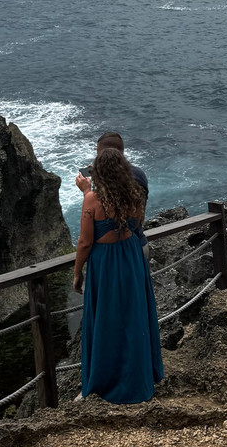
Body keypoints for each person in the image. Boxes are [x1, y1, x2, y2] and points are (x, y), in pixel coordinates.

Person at [73, 147, 163, 403]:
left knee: (106, 319)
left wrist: (77, 273)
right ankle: (139, 378)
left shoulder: (92, 199)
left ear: (98, 172)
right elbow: (135, 225)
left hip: (106, 262)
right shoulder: (134, 195)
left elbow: (84, 242)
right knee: (133, 317)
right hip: (130, 256)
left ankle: (105, 381)